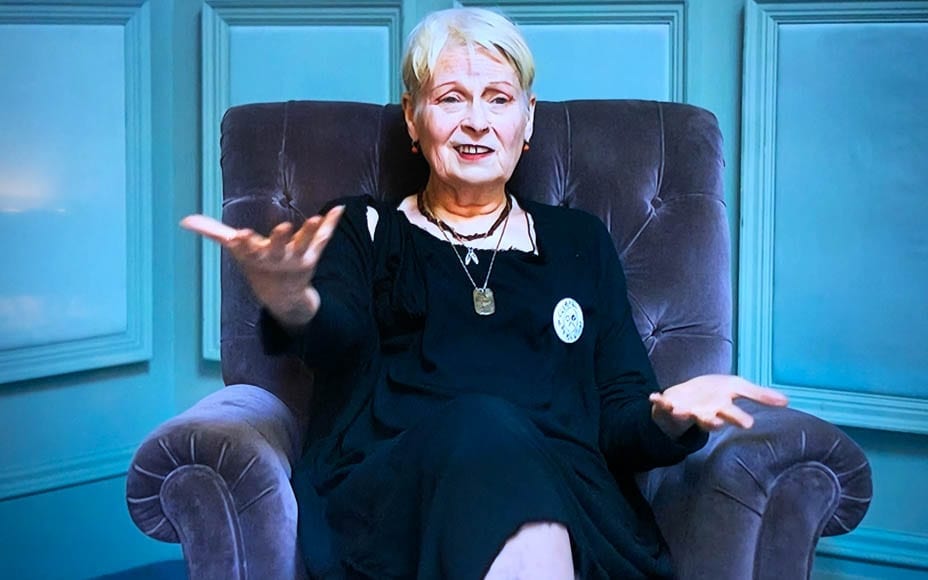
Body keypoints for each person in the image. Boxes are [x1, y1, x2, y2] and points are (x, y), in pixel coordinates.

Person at [182, 7, 788, 579]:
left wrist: (667, 416)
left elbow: (618, 414)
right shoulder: (365, 228)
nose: (477, 120)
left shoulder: (579, 242)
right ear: (413, 118)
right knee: (482, 422)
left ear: (528, 119)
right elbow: (336, 333)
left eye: (498, 98)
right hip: (398, 495)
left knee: (499, 438)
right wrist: (291, 298)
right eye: (451, 98)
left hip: (568, 493)